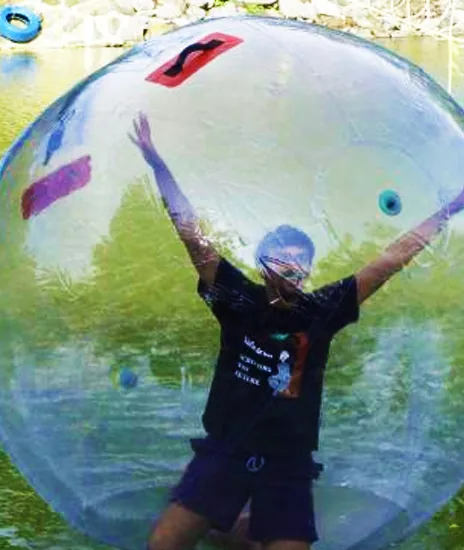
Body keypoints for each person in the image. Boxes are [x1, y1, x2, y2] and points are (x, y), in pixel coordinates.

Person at [128, 112, 464, 550]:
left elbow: (391, 259)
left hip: (287, 463)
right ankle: (229, 525)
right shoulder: (238, 300)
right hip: (226, 449)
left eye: (300, 264)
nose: (292, 272)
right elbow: (191, 233)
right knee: (163, 545)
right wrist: (158, 164)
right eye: (282, 263)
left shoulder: (321, 311)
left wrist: (452, 207)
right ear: (264, 265)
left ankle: (234, 529)